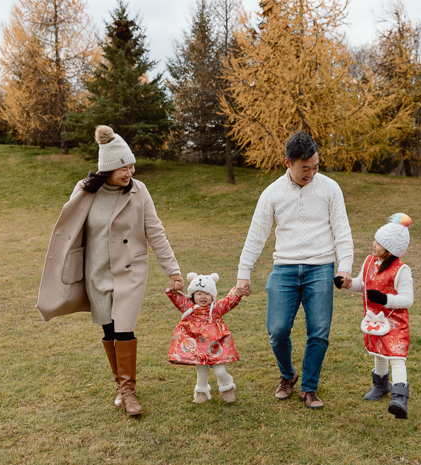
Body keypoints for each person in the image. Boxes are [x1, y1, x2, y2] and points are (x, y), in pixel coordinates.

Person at [36, 125, 183, 416]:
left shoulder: (139, 191)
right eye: (122, 168)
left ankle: (128, 392)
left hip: (131, 271)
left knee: (124, 328)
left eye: (131, 166)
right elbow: (69, 228)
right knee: (109, 329)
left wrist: (173, 271)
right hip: (97, 271)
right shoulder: (85, 191)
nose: (129, 173)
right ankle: (120, 385)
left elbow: (156, 232)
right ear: (107, 170)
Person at [236, 131, 354, 409]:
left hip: (321, 269)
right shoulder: (272, 193)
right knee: (277, 330)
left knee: (319, 331)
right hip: (284, 269)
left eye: (315, 166)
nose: (311, 173)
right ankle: (288, 375)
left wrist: (345, 267)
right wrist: (244, 272)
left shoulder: (330, 188)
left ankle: (309, 387)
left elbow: (342, 231)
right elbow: (256, 235)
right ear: (288, 163)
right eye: (305, 168)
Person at [336, 213, 414, 419]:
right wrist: (346, 283)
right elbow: (362, 285)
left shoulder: (401, 271)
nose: (373, 244)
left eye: (378, 243)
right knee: (378, 352)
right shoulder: (370, 261)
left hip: (395, 323)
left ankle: (399, 397)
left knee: (396, 357)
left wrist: (385, 299)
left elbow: (407, 299)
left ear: (390, 249)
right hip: (374, 319)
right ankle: (380, 386)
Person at [166, 272, 246, 404]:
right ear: (193, 295)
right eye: (199, 294)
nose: (203, 297)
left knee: (220, 370)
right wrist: (175, 287)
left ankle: (227, 385)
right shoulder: (189, 308)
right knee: (201, 370)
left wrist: (238, 292)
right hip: (198, 346)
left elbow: (229, 301)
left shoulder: (216, 308)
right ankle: (202, 392)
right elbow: (176, 297)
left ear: (212, 295)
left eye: (207, 294)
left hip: (217, 345)